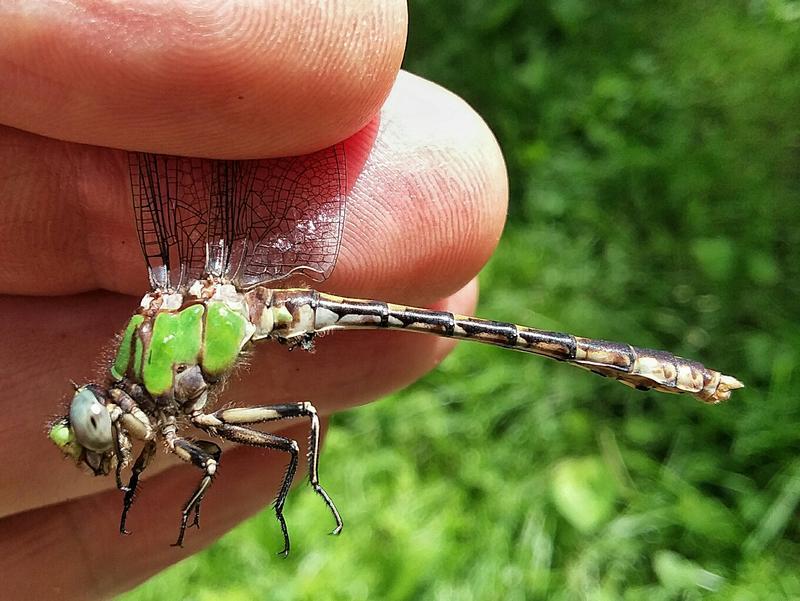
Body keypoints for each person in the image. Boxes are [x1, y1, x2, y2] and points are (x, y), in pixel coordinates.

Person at [0, 2, 507, 598]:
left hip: (251, 306)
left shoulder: (154, 387)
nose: (94, 433)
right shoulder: (152, 398)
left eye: (93, 425)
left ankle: (310, 489)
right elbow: (181, 444)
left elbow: (199, 455)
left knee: (281, 432)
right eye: (91, 426)